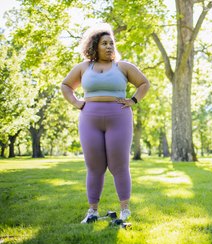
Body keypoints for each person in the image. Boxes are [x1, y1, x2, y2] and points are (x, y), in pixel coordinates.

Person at [60, 23, 150, 223]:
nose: (109, 47)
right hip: (89, 119)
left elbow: (144, 84)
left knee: (119, 165)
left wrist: (133, 100)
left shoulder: (123, 66)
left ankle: (125, 209)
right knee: (94, 166)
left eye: (112, 43)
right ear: (94, 46)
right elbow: (66, 85)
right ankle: (92, 211)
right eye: (104, 43)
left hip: (119, 118)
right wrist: (76, 102)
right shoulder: (84, 67)